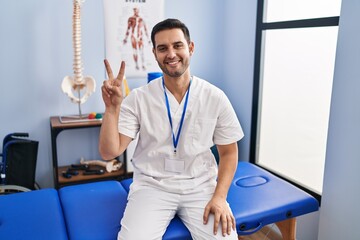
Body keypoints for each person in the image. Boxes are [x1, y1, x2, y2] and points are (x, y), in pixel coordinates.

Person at [100, 18, 244, 240]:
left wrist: (220, 197)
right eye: (163, 48)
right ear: (155, 53)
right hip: (152, 186)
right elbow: (110, 152)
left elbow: (229, 152)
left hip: (201, 187)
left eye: (178, 45)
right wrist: (112, 108)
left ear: (190, 48)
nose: (171, 54)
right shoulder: (138, 99)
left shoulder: (215, 97)